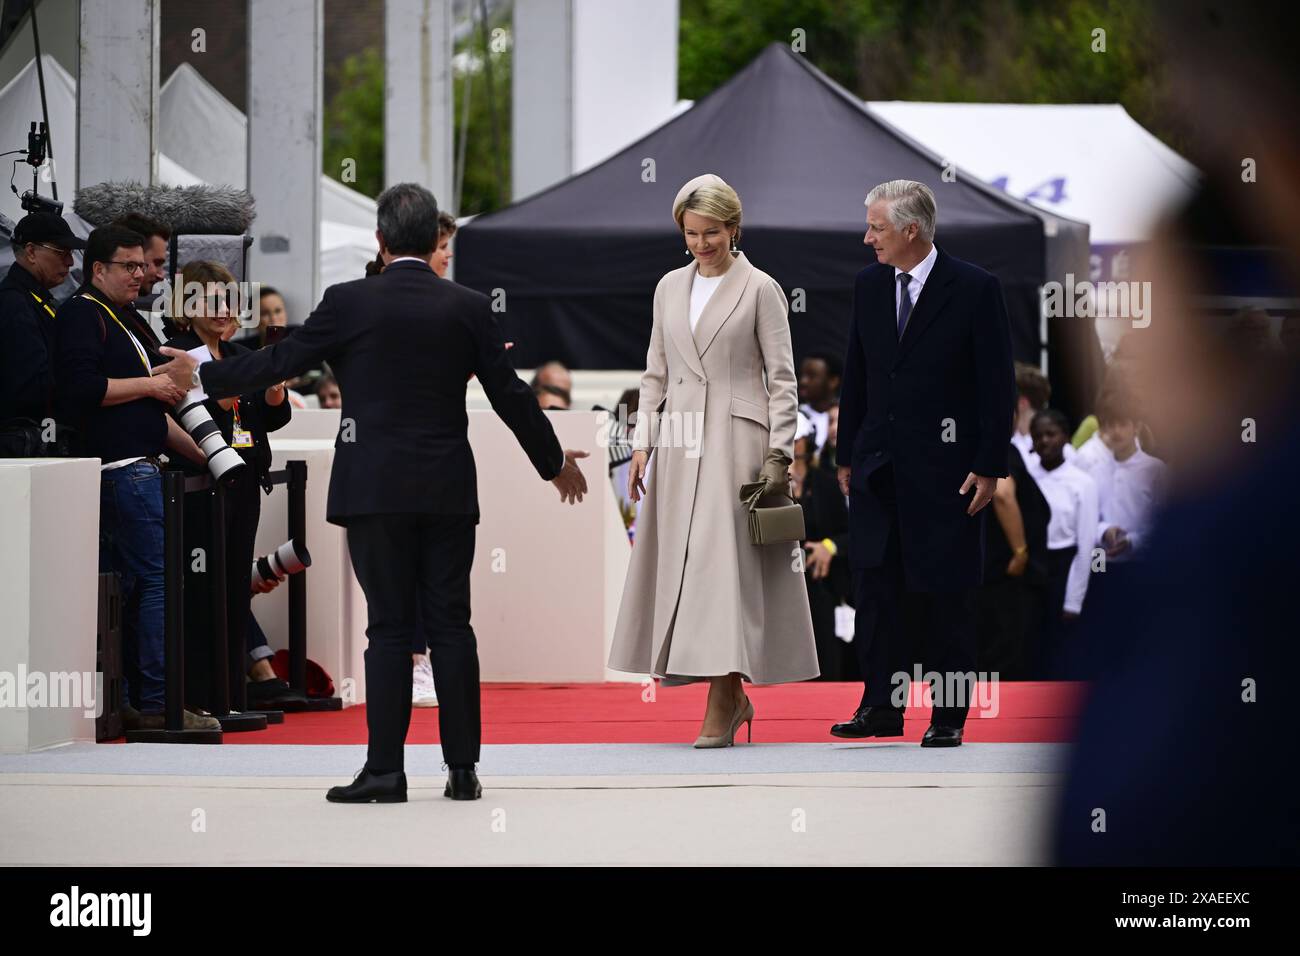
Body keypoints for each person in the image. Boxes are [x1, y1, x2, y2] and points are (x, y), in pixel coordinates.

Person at [157, 183, 589, 802]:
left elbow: (282, 363)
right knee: (452, 627)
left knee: (387, 630)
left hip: (374, 488)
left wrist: (201, 371)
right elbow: (511, 394)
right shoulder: (468, 306)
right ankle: (463, 772)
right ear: (429, 241)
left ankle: (385, 771)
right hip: (446, 489)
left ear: (381, 241)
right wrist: (551, 464)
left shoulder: (349, 301)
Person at [608, 173, 819, 748]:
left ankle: (724, 696)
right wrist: (643, 443)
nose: (701, 244)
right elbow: (654, 373)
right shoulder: (667, 288)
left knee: (723, 570)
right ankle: (727, 695)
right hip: (678, 444)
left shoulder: (761, 289)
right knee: (686, 567)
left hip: (738, 445)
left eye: (712, 233)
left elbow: (783, 379)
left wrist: (781, 452)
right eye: (691, 233)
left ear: (734, 228)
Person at [832, 179, 1015, 747]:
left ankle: (948, 715)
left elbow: (997, 383)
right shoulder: (868, 285)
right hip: (878, 469)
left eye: (877, 228)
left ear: (912, 230)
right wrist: (846, 458)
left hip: (950, 473)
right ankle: (880, 707)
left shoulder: (975, 288)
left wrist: (989, 464)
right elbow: (857, 373)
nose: (867, 238)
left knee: (947, 595)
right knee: (877, 592)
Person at [54, 225, 216, 733]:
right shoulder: (83, 313)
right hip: (122, 468)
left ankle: (134, 699)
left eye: (143, 265)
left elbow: (154, 406)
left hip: (138, 464)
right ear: (97, 269)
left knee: (133, 587)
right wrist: (151, 383)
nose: (141, 274)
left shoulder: (121, 316)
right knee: (150, 587)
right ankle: (154, 703)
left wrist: (212, 456)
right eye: (130, 265)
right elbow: (79, 389)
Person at [164, 260, 293, 712]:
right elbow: (186, 417)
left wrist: (274, 389)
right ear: (185, 304)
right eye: (209, 300)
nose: (222, 310)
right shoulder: (176, 353)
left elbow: (270, 417)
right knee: (200, 585)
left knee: (236, 583)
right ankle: (202, 696)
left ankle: (233, 691)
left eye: (229, 300)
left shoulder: (240, 356)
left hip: (247, 480)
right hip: (201, 486)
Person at [1, 212, 83, 456]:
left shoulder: (34, 299)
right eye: (62, 252)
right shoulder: (14, 304)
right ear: (31, 252)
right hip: (24, 443)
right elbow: (32, 385)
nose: (70, 262)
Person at [1026, 409, 1099, 677]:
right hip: (1031, 564)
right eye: (1038, 436)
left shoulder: (1082, 483)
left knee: (1060, 648)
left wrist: (1073, 601)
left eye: (1051, 434)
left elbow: (1085, 544)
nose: (1044, 441)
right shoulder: (1027, 476)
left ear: (1066, 437)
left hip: (1064, 565)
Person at [790, 422, 854, 681]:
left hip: (820, 585)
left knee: (827, 658)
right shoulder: (765, 481)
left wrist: (829, 547)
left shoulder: (827, 482)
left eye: (797, 437)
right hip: (779, 584)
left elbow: (851, 532)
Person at [797, 351, 842, 455]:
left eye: (812, 376)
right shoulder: (795, 416)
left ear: (833, 381)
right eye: (802, 375)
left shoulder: (846, 416)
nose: (803, 381)